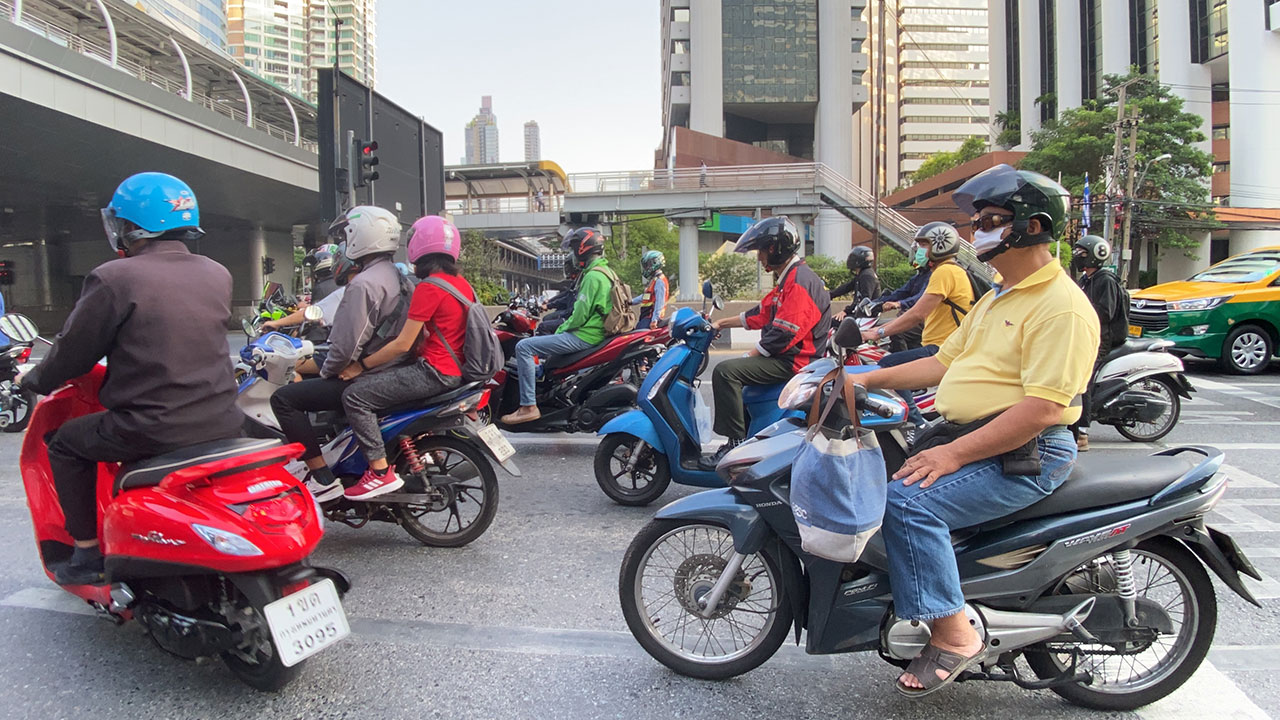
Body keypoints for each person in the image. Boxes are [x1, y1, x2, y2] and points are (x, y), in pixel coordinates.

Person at [847, 164, 1096, 697]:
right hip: (984, 439)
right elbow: (942, 360)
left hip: (1025, 453)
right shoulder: (998, 296)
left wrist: (954, 455)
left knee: (908, 502)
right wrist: (859, 377)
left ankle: (955, 635)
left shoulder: (1062, 308)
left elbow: (1043, 409)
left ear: (1031, 226)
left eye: (989, 220)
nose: (976, 231)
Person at [18, 172, 243, 585]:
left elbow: (73, 352)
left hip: (150, 426)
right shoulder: (217, 272)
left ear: (130, 225)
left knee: (66, 444)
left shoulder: (114, 278)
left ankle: (85, 553)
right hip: (224, 419)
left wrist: (34, 381)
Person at [269, 206, 408, 502]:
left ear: (361, 236)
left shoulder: (363, 284)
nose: (344, 247)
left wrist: (327, 370)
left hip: (367, 374)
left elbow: (346, 347)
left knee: (284, 399)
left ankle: (321, 478)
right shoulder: (396, 275)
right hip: (391, 368)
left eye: (346, 237)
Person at [335, 216, 468, 500]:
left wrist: (360, 365)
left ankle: (379, 472)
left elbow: (402, 344)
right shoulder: (460, 283)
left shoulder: (429, 288)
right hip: (456, 370)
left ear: (417, 248)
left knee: (355, 396)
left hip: (433, 372)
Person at [706, 217, 831, 466]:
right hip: (789, 357)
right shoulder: (789, 279)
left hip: (795, 361)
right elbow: (760, 313)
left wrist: (750, 354)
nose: (759, 257)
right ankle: (746, 435)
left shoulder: (799, 282)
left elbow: (784, 334)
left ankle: (735, 443)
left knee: (725, 372)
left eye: (761, 250)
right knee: (735, 373)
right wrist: (720, 323)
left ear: (774, 248)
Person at [862, 222, 975, 428]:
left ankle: (915, 424)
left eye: (924, 244)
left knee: (890, 364)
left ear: (941, 245)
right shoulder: (949, 271)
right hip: (941, 345)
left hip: (943, 348)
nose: (919, 249)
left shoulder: (945, 272)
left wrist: (877, 333)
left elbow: (917, 313)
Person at [501, 227, 614, 424]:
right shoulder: (605, 272)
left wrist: (561, 329)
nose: (571, 254)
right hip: (595, 333)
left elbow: (578, 316)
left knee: (525, 346)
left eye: (573, 248)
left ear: (583, 249)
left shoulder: (592, 276)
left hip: (585, 335)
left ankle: (528, 406)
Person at [1069, 234, 1129, 452]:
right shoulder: (1087, 280)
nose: (1078, 257)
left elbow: (1105, 312)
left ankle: (1082, 432)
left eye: (1082, 253)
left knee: (1082, 379)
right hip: (1088, 335)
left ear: (1096, 255)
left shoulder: (1106, 280)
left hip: (1101, 339)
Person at [262, 243, 347, 333]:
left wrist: (276, 323)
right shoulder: (345, 286)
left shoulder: (325, 287)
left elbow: (313, 313)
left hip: (327, 336)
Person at [874, 242, 933, 353]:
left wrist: (899, 304)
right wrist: (875, 303)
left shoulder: (934, 275)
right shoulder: (919, 276)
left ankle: (902, 363)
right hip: (916, 318)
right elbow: (900, 292)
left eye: (924, 246)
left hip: (926, 320)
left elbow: (921, 297)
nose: (916, 256)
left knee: (896, 331)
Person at [632, 250, 668, 330]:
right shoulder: (654, 280)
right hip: (646, 317)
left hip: (650, 318)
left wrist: (655, 320)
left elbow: (660, 302)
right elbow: (646, 297)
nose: (646, 268)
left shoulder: (659, 281)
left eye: (647, 265)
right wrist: (630, 301)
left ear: (655, 262)